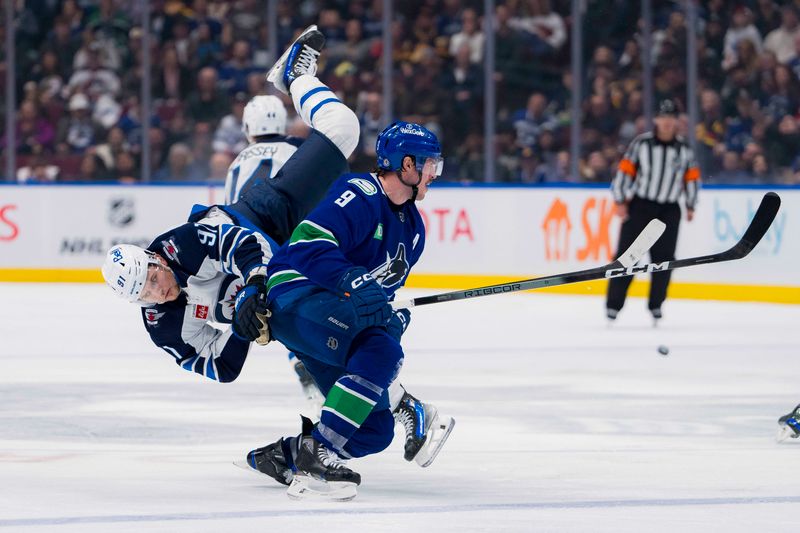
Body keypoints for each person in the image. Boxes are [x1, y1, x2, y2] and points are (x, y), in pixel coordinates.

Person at [101, 25, 448, 481]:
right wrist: (249, 323)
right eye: (145, 293)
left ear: (153, 258)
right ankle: (321, 442)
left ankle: (293, 75)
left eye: (151, 274)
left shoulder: (176, 244)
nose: (157, 287)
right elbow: (222, 367)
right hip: (290, 282)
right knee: (361, 349)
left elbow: (242, 243)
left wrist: (254, 288)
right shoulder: (165, 329)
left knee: (343, 131)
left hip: (272, 219)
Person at [251, 120, 455, 501]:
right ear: (406, 165)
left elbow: (380, 298)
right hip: (295, 294)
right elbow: (308, 244)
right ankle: (317, 457)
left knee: (374, 431)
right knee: (382, 352)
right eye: (429, 164)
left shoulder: (413, 230)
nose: (434, 173)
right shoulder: (359, 192)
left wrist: (389, 318)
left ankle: (288, 454)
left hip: (329, 319)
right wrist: (353, 280)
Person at [223, 92, 320, 410]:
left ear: (249, 126)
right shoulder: (298, 149)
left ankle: (301, 359)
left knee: (279, 306)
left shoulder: (238, 160)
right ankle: (312, 359)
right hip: (297, 239)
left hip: (252, 249)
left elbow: (229, 213)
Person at [606, 99, 701, 325]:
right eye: (663, 117)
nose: (667, 122)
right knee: (627, 256)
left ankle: (656, 304)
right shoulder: (642, 144)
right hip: (641, 206)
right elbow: (625, 171)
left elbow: (691, 178)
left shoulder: (684, 149)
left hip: (669, 209)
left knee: (664, 260)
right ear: (656, 119)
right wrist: (619, 200)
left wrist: (690, 204)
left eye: (671, 117)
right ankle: (614, 305)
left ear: (677, 121)